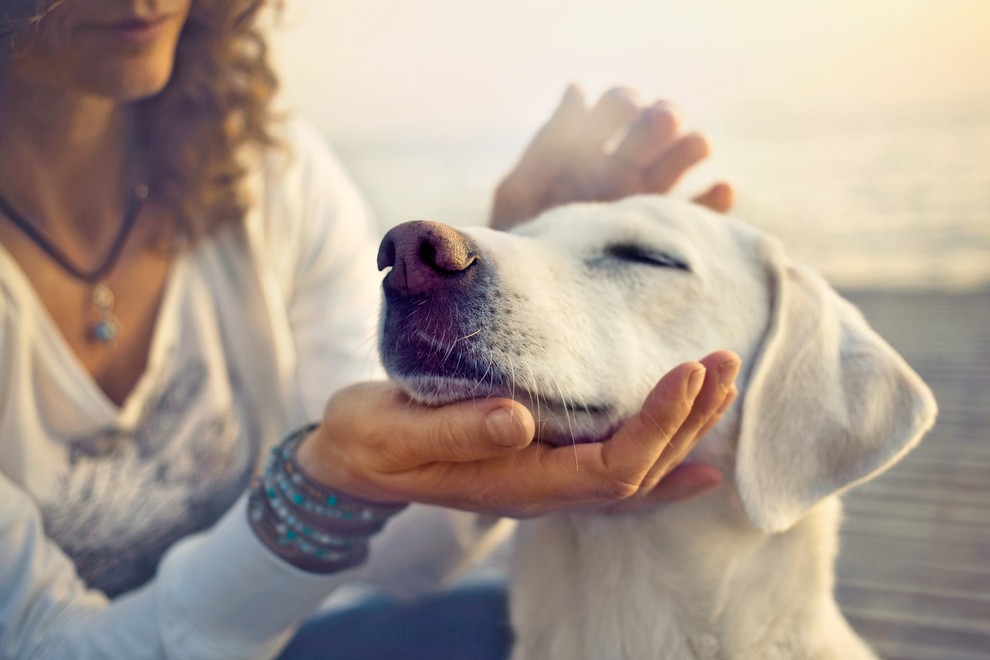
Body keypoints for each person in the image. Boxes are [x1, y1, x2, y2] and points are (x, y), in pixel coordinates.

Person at [0, 1, 739, 657]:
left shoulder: (264, 173)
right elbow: (44, 644)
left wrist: (503, 304)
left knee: (524, 625)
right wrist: (324, 482)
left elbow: (406, 559)